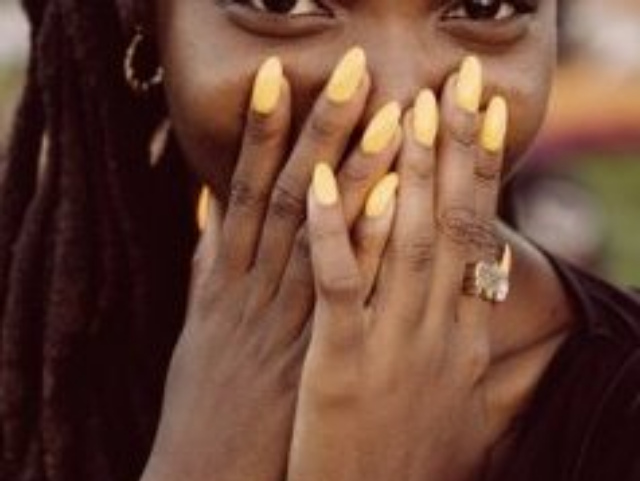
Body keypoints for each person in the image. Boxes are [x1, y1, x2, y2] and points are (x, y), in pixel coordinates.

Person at [1, 1, 639, 481]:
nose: (394, 98)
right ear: (143, 16)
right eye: (283, 3)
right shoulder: (30, 359)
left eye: (480, 6)